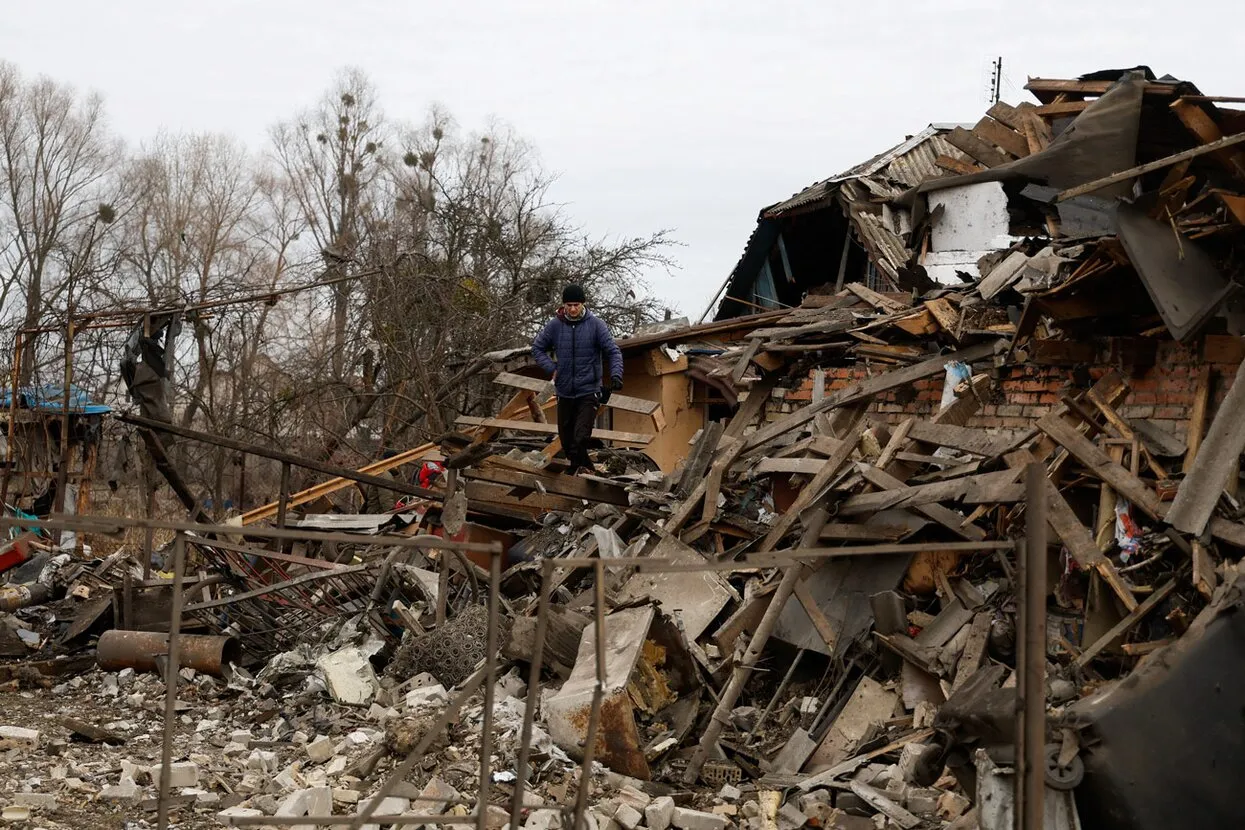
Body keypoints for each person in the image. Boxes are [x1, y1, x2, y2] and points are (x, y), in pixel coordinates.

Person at [531, 284, 624, 475]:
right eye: (569, 305)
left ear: (583, 304)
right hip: (564, 392)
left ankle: (581, 473)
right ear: (563, 305)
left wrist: (616, 374)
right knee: (567, 443)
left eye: (576, 305)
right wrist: (552, 368)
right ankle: (584, 472)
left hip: (588, 390)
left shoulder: (596, 325)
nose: (573, 309)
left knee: (580, 437)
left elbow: (613, 351)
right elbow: (537, 349)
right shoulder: (555, 325)